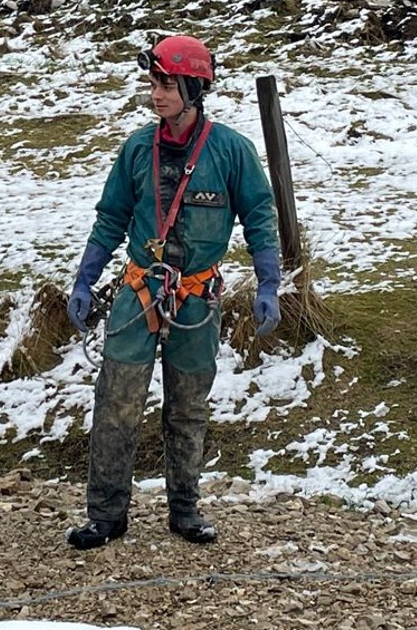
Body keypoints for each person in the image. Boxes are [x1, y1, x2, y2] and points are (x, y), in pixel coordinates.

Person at [64, 34, 281, 549]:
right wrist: (84, 278)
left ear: (193, 90)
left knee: (188, 407)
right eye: (153, 84)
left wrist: (269, 284)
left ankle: (185, 510)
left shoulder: (231, 151)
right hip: (138, 292)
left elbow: (259, 217)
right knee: (116, 401)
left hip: (196, 300)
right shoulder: (138, 148)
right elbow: (111, 218)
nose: (156, 95)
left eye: (166, 86)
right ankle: (106, 516)